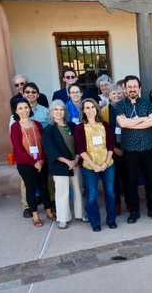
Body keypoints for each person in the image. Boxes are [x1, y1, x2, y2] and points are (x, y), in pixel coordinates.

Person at [116, 75, 152, 223]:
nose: (132, 89)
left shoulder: (146, 103)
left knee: (150, 180)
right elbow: (122, 124)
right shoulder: (121, 105)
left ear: (139, 88)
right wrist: (143, 120)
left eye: (135, 86)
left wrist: (132, 122)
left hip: (147, 149)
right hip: (130, 151)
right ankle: (134, 210)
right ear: (125, 88)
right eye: (129, 87)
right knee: (131, 182)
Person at [10, 99, 56, 227]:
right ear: (16, 111)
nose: (24, 110)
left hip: (41, 162)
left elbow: (44, 143)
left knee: (44, 187)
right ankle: (35, 215)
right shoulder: (15, 127)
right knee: (30, 189)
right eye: (20, 108)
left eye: (26, 107)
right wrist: (33, 162)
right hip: (26, 164)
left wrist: (41, 160)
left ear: (29, 109)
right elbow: (18, 149)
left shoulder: (37, 124)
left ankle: (48, 211)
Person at [42, 100, 86, 229]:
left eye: (61, 109)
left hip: (75, 164)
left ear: (65, 112)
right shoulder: (48, 130)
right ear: (51, 112)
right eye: (56, 109)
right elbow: (51, 150)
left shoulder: (72, 126)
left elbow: (79, 143)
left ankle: (80, 214)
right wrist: (68, 162)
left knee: (78, 190)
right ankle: (63, 218)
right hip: (59, 165)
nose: (59, 112)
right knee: (62, 193)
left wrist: (77, 158)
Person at [75, 99, 117, 231]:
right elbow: (80, 149)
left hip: (107, 164)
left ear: (97, 109)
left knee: (110, 192)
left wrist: (105, 163)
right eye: (87, 108)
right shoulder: (80, 127)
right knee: (92, 195)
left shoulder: (105, 125)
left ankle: (111, 219)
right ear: (83, 110)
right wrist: (94, 165)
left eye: (92, 107)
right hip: (89, 166)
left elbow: (111, 145)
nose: (90, 110)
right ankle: (95, 222)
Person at [101, 84, 126, 214]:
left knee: (128, 177)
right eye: (113, 93)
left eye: (118, 93)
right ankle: (117, 204)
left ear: (123, 94)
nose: (116, 96)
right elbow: (103, 131)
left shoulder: (127, 107)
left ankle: (129, 202)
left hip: (127, 147)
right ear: (109, 96)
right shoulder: (104, 110)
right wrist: (114, 148)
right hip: (112, 149)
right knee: (114, 179)